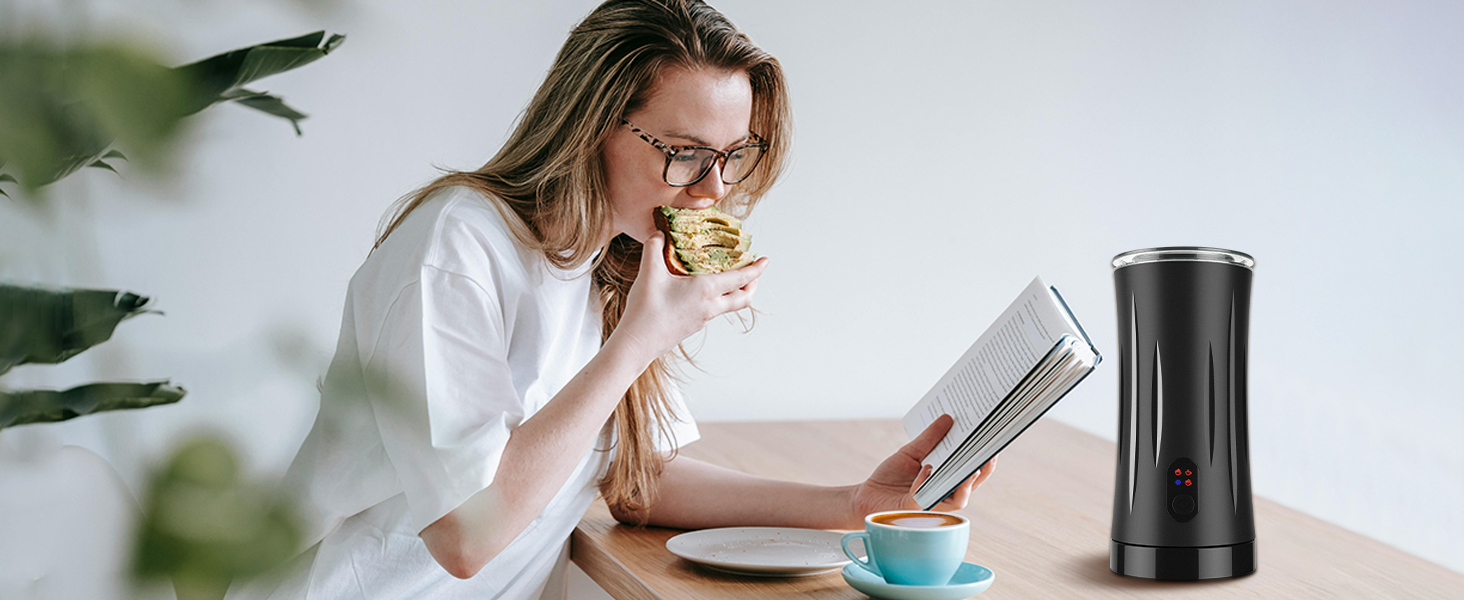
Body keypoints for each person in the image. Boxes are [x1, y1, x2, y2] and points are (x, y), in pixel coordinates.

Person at [226, 1, 996, 598]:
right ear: (592, 127)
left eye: (733, 155)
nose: (715, 189)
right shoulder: (458, 248)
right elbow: (464, 536)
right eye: (686, 153)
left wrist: (853, 501)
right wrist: (638, 341)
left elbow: (632, 478)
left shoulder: (615, 259)